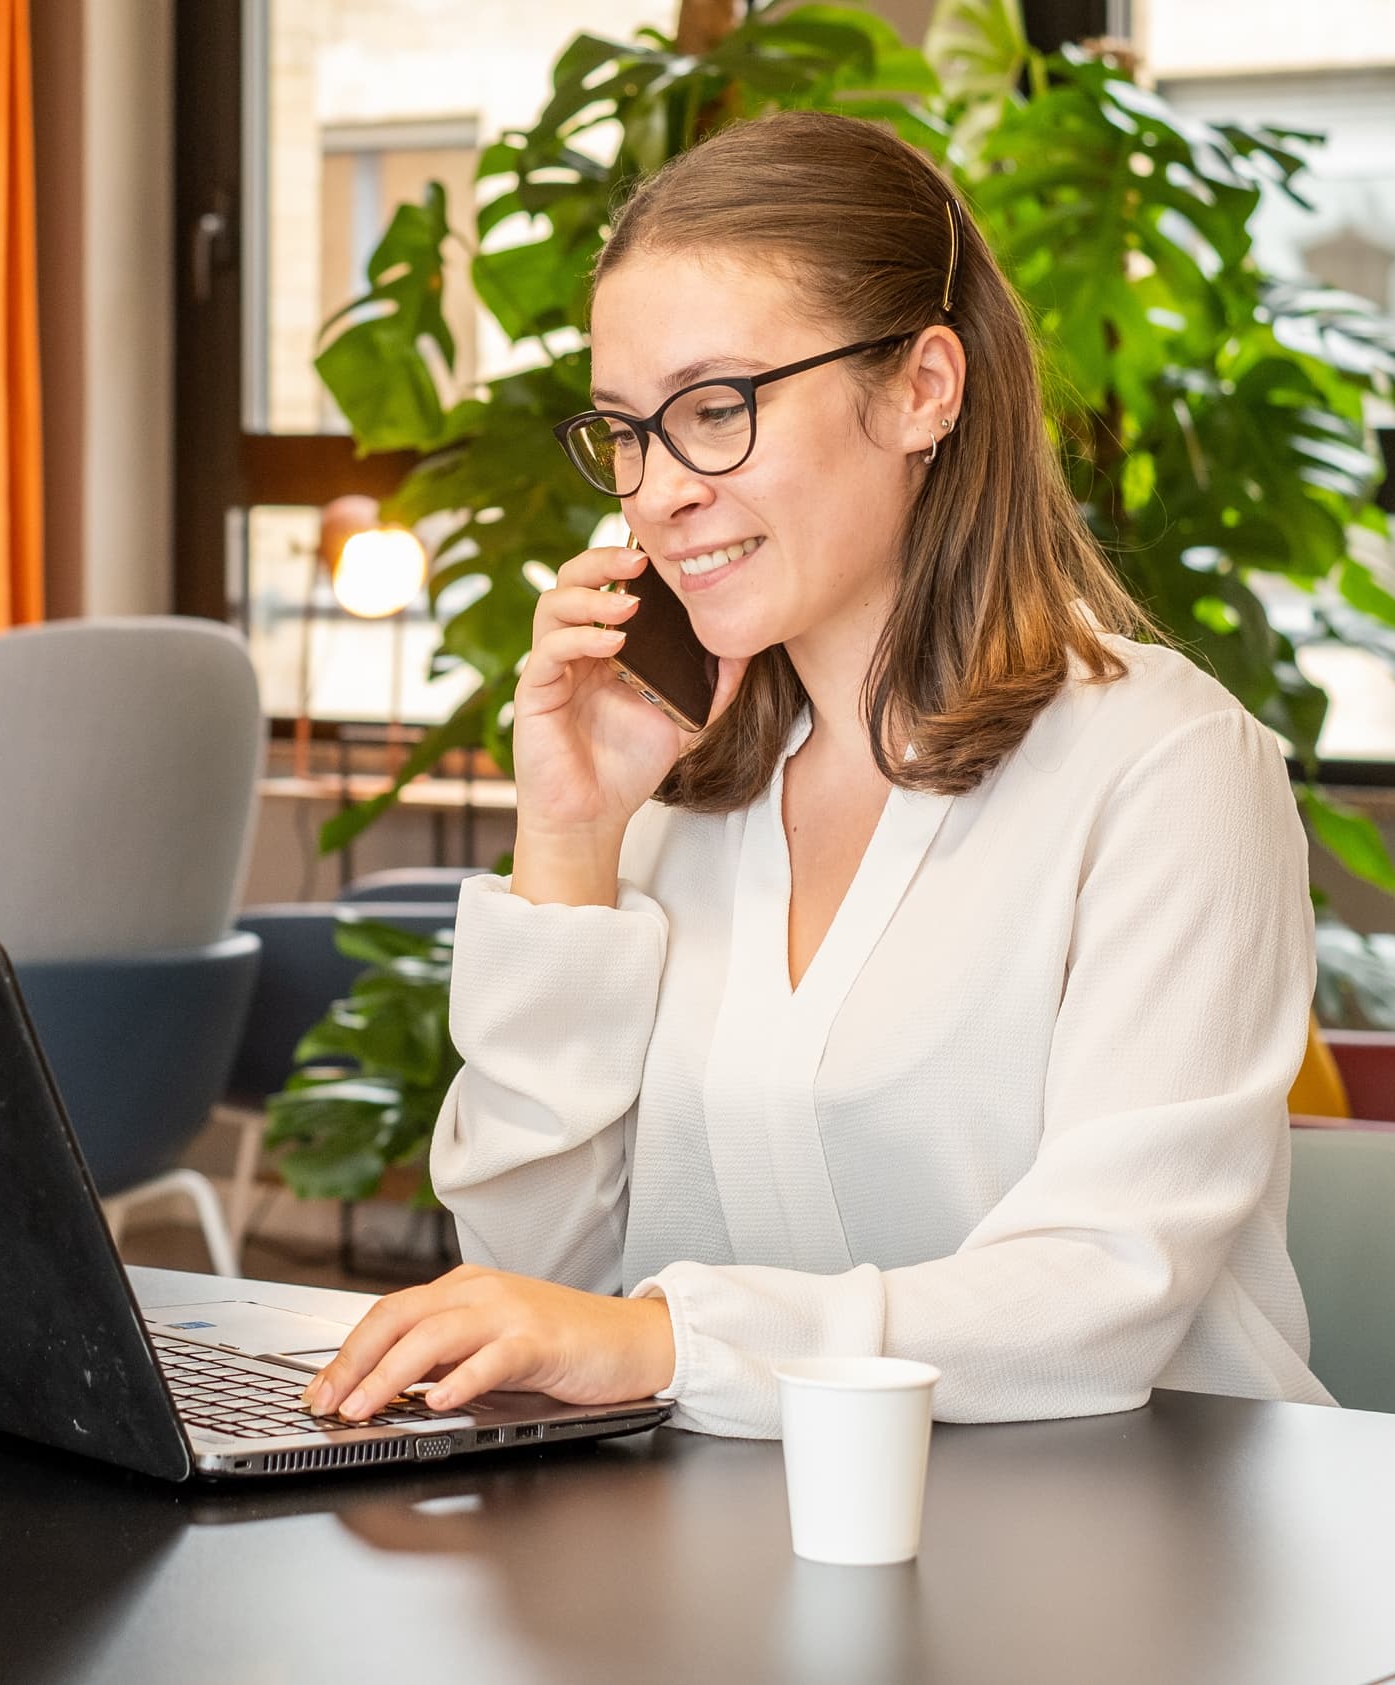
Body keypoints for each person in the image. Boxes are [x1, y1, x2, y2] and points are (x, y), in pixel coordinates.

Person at [300, 112, 1329, 1437]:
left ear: (923, 389)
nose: (658, 491)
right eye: (627, 431)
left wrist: (667, 1339)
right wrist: (569, 840)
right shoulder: (684, 796)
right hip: (756, 1545)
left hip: (1124, 1547)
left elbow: (1102, 1286)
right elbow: (536, 1286)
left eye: (716, 409)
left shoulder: (1168, 773)